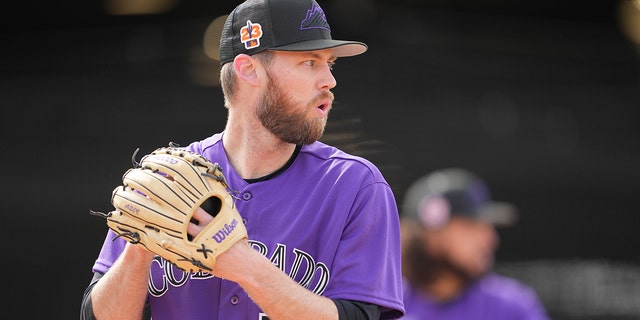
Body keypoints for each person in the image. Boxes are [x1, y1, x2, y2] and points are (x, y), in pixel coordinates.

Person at [79, 0, 405, 319]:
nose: (329, 81)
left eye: (329, 63)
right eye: (309, 62)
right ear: (249, 70)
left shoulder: (354, 187)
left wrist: (244, 265)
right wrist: (141, 247)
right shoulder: (169, 180)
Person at [399, 168, 549, 320]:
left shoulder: (511, 307)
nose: (490, 240)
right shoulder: (388, 307)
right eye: (472, 226)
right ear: (431, 236)